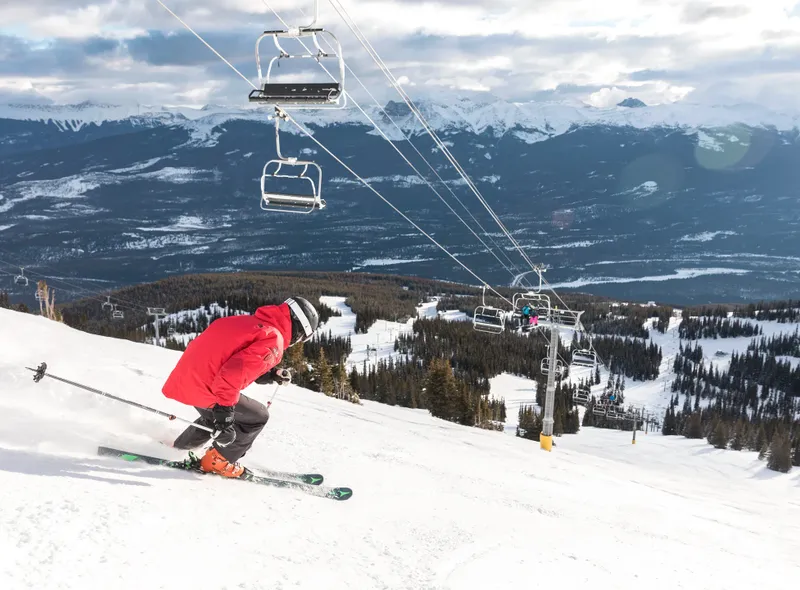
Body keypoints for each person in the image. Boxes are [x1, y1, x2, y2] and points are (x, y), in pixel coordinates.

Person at [162, 297, 320, 477]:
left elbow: (233, 360)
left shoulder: (248, 322)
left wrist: (271, 374)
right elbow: (230, 376)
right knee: (258, 416)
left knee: (213, 416)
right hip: (206, 387)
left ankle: (180, 448)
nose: (297, 342)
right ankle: (218, 461)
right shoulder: (273, 339)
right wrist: (225, 415)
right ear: (299, 330)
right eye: (302, 339)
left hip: (186, 380)